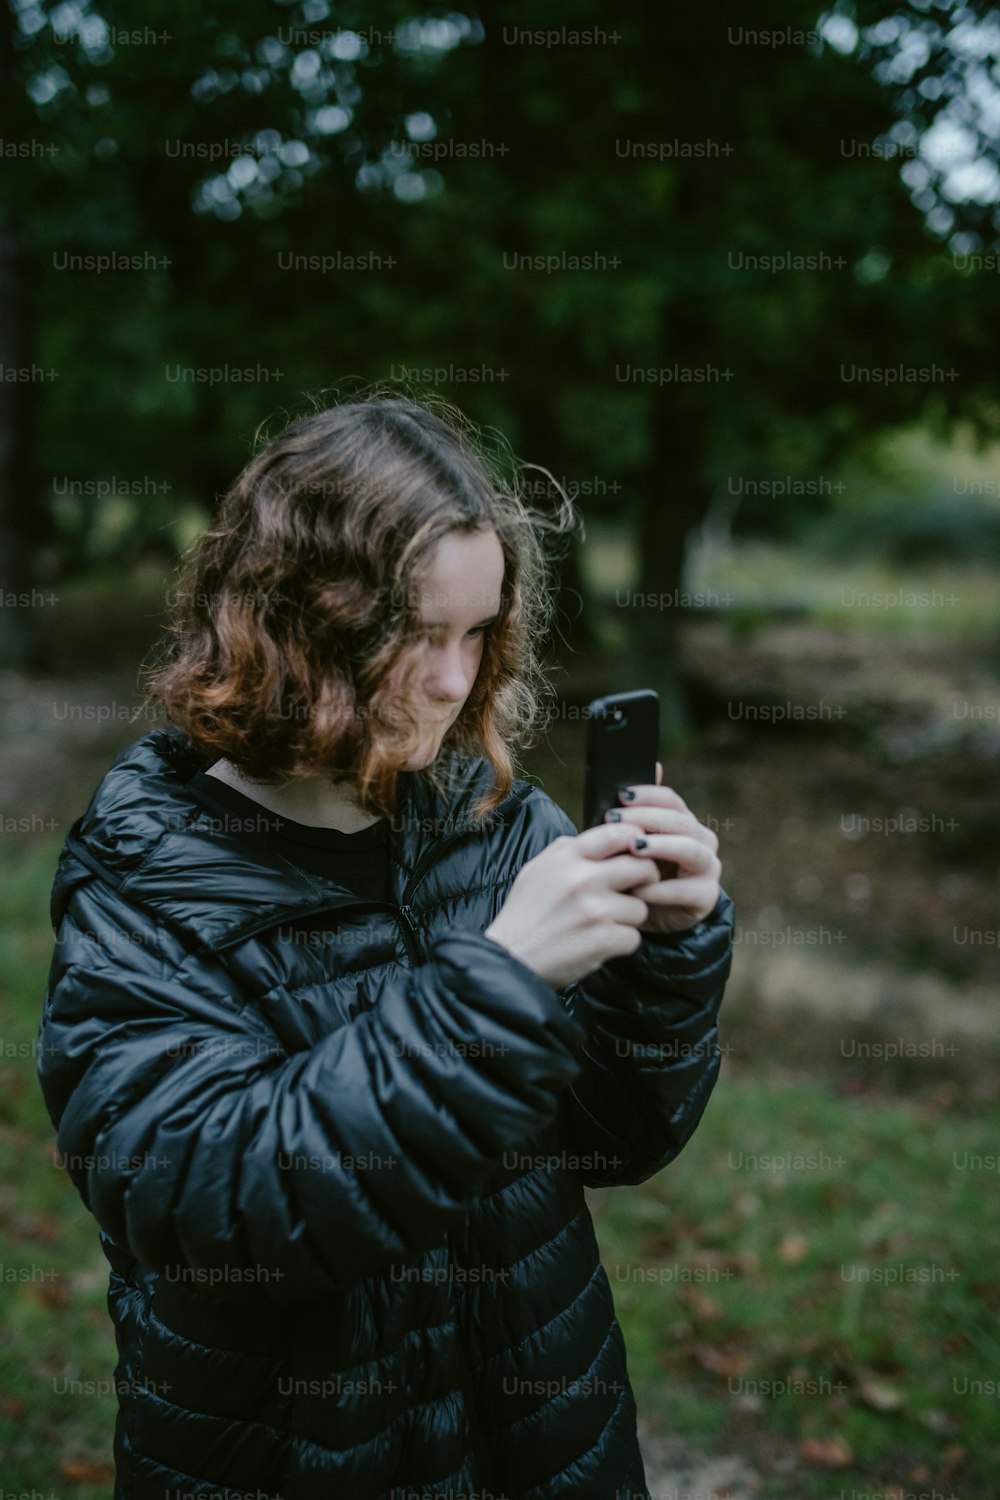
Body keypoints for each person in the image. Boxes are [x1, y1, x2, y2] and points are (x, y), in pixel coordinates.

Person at [37, 390, 734, 1500]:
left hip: (542, 1434)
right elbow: (219, 1211)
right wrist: (496, 985)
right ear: (294, 621)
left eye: (477, 634)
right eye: (417, 635)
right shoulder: (146, 871)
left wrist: (667, 952)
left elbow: (617, 1140)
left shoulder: (498, 819)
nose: (456, 684)